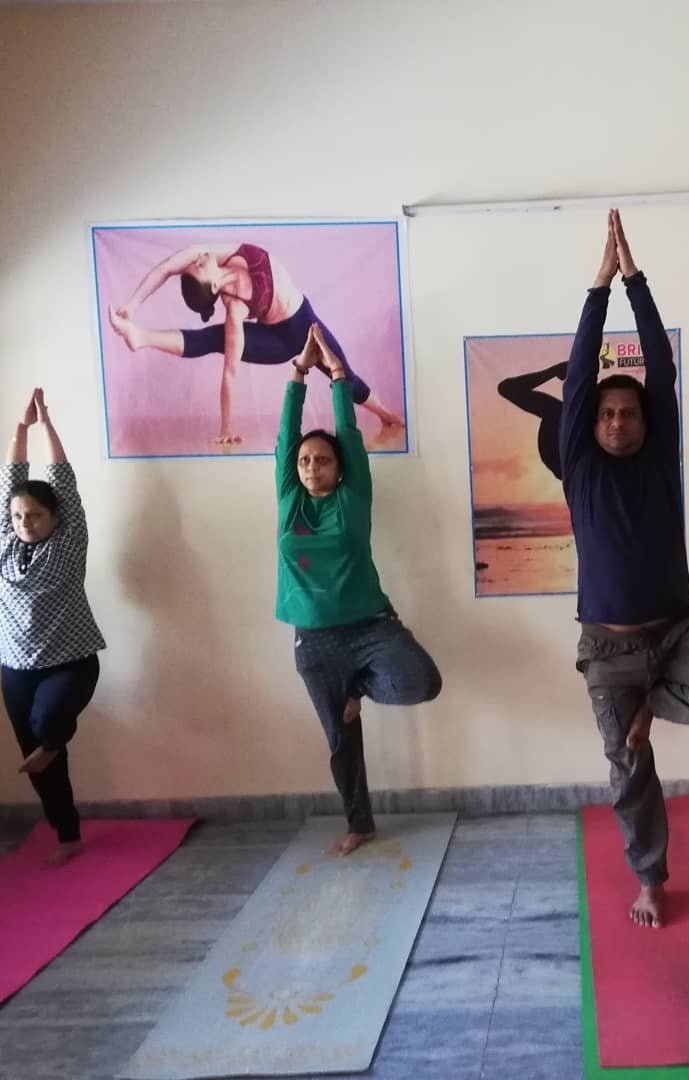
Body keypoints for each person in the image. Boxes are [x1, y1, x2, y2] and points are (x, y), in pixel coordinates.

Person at [561, 211, 689, 928]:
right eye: (608, 413)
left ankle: (653, 701)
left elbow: (660, 362)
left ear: (648, 423)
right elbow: (584, 369)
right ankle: (650, 877)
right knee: (628, 770)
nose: (619, 420)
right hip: (610, 648)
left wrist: (634, 281)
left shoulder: (658, 462)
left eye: (630, 412)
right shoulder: (581, 467)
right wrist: (596, 290)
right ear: (592, 424)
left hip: (679, 633)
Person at [277, 324, 441, 856]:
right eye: (304, 461)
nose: (311, 467)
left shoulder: (353, 497)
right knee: (340, 741)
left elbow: (347, 432)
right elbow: (286, 436)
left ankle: (360, 688)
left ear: (339, 467)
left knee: (421, 681)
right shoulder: (289, 501)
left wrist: (338, 375)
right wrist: (298, 375)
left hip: (370, 625)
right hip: (314, 641)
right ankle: (359, 822)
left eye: (321, 460)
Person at [107, 242, 404, 444]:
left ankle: (385, 415)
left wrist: (133, 304)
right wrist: (226, 428)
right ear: (212, 285)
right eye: (197, 266)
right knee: (216, 338)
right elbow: (230, 373)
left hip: (305, 321)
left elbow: (166, 267)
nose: (196, 259)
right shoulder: (235, 308)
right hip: (279, 341)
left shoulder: (222, 254)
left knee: (345, 378)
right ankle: (141, 337)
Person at [1, 389, 106, 866]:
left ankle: (51, 741)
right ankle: (68, 835)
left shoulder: (68, 542)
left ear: (55, 518)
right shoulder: (6, 541)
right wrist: (16, 430)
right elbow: (10, 483)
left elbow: (63, 480)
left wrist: (43, 426)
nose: (25, 522)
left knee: (48, 726)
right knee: (41, 759)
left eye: (35, 516)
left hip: (72, 662)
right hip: (15, 667)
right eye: (19, 516)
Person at [497, 362, 568, 480]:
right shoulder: (559, 413)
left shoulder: (560, 413)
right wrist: (553, 372)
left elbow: (506, 388)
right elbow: (506, 388)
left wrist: (554, 372)